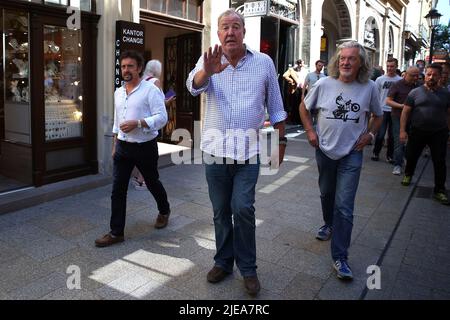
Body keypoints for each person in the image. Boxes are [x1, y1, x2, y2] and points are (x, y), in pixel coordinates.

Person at [186, 9, 287, 296]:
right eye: (224, 27)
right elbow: (192, 87)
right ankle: (223, 262)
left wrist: (281, 143)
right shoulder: (209, 59)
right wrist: (208, 70)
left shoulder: (264, 62)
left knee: (242, 208)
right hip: (215, 152)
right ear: (218, 33)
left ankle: (249, 268)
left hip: (248, 153)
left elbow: (277, 105)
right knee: (220, 212)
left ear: (244, 31)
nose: (230, 32)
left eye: (236, 26)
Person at [299, 40, 383, 280]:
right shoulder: (324, 84)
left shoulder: (370, 88)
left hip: (352, 153)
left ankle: (340, 257)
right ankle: (328, 223)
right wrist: (310, 132)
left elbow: (378, 116)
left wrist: (370, 135)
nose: (346, 62)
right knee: (327, 194)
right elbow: (304, 108)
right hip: (324, 150)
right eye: (342, 58)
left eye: (351, 59)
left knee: (344, 206)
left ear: (361, 63)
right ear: (338, 61)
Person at [95, 50, 171, 247]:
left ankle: (164, 210)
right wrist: (114, 144)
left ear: (138, 68)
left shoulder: (150, 90)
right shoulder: (118, 92)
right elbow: (117, 121)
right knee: (117, 190)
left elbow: (162, 118)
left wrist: (138, 123)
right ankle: (116, 232)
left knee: (152, 182)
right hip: (123, 147)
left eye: (130, 66)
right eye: (123, 66)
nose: (126, 70)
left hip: (145, 147)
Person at [400, 63, 450, 205]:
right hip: (417, 131)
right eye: (428, 74)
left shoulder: (446, 94)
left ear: (440, 77)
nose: (431, 77)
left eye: (434, 75)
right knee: (411, 155)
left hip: (439, 133)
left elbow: (449, 115)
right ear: (425, 75)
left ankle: (439, 190)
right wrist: (403, 130)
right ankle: (408, 174)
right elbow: (405, 112)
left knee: (439, 161)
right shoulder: (415, 93)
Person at [132, 59, 176, 191]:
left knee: (138, 150)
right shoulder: (155, 82)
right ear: (158, 71)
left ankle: (137, 177)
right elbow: (158, 104)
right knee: (148, 153)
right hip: (149, 121)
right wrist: (168, 101)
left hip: (138, 120)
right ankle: (142, 180)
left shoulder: (140, 80)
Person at [386, 66, 420, 175]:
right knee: (399, 140)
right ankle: (397, 164)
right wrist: (402, 106)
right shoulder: (397, 85)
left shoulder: (419, 86)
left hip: (414, 118)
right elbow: (388, 101)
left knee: (412, 142)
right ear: (406, 74)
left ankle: (406, 158)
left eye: (417, 75)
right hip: (397, 116)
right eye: (413, 75)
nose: (415, 78)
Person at [371, 58, 402, 163]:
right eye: (388, 66)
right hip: (382, 110)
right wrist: (374, 110)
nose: (389, 68)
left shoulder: (399, 80)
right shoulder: (380, 79)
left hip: (394, 111)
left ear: (396, 66)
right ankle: (376, 152)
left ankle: (390, 156)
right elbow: (375, 95)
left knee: (392, 136)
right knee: (380, 134)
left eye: (392, 66)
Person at [283, 59, 307, 124]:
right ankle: (294, 120)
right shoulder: (292, 69)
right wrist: (291, 81)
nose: (303, 65)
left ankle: (300, 120)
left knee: (301, 105)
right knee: (294, 104)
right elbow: (284, 75)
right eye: (302, 64)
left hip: (303, 89)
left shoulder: (304, 70)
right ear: (299, 64)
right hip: (295, 89)